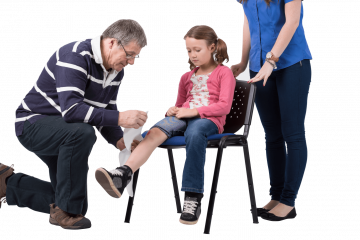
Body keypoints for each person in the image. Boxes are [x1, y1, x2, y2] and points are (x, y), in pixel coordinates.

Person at [3, 19, 148, 230]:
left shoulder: (117, 71)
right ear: (111, 43)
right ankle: (66, 211)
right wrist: (120, 118)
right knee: (83, 132)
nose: (132, 61)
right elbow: (72, 111)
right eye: (129, 54)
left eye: (136, 56)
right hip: (32, 123)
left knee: (73, 203)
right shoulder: (75, 55)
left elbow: (106, 112)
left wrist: (121, 142)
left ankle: (6, 185)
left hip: (66, 131)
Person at [94, 25, 236, 226]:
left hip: (208, 120)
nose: (192, 55)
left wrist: (193, 112)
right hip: (183, 116)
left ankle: (192, 198)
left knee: (195, 133)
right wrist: (173, 110)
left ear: (212, 48)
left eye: (198, 50)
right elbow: (180, 105)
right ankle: (123, 173)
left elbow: (224, 106)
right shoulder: (186, 77)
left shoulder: (224, 73)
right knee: (155, 131)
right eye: (189, 50)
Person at [230, 0, 311, 222]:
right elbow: (247, 22)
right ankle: (276, 196)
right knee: (272, 135)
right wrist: (244, 61)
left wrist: (271, 60)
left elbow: (292, 21)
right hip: (259, 65)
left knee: (292, 133)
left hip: (292, 63)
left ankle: (288, 201)